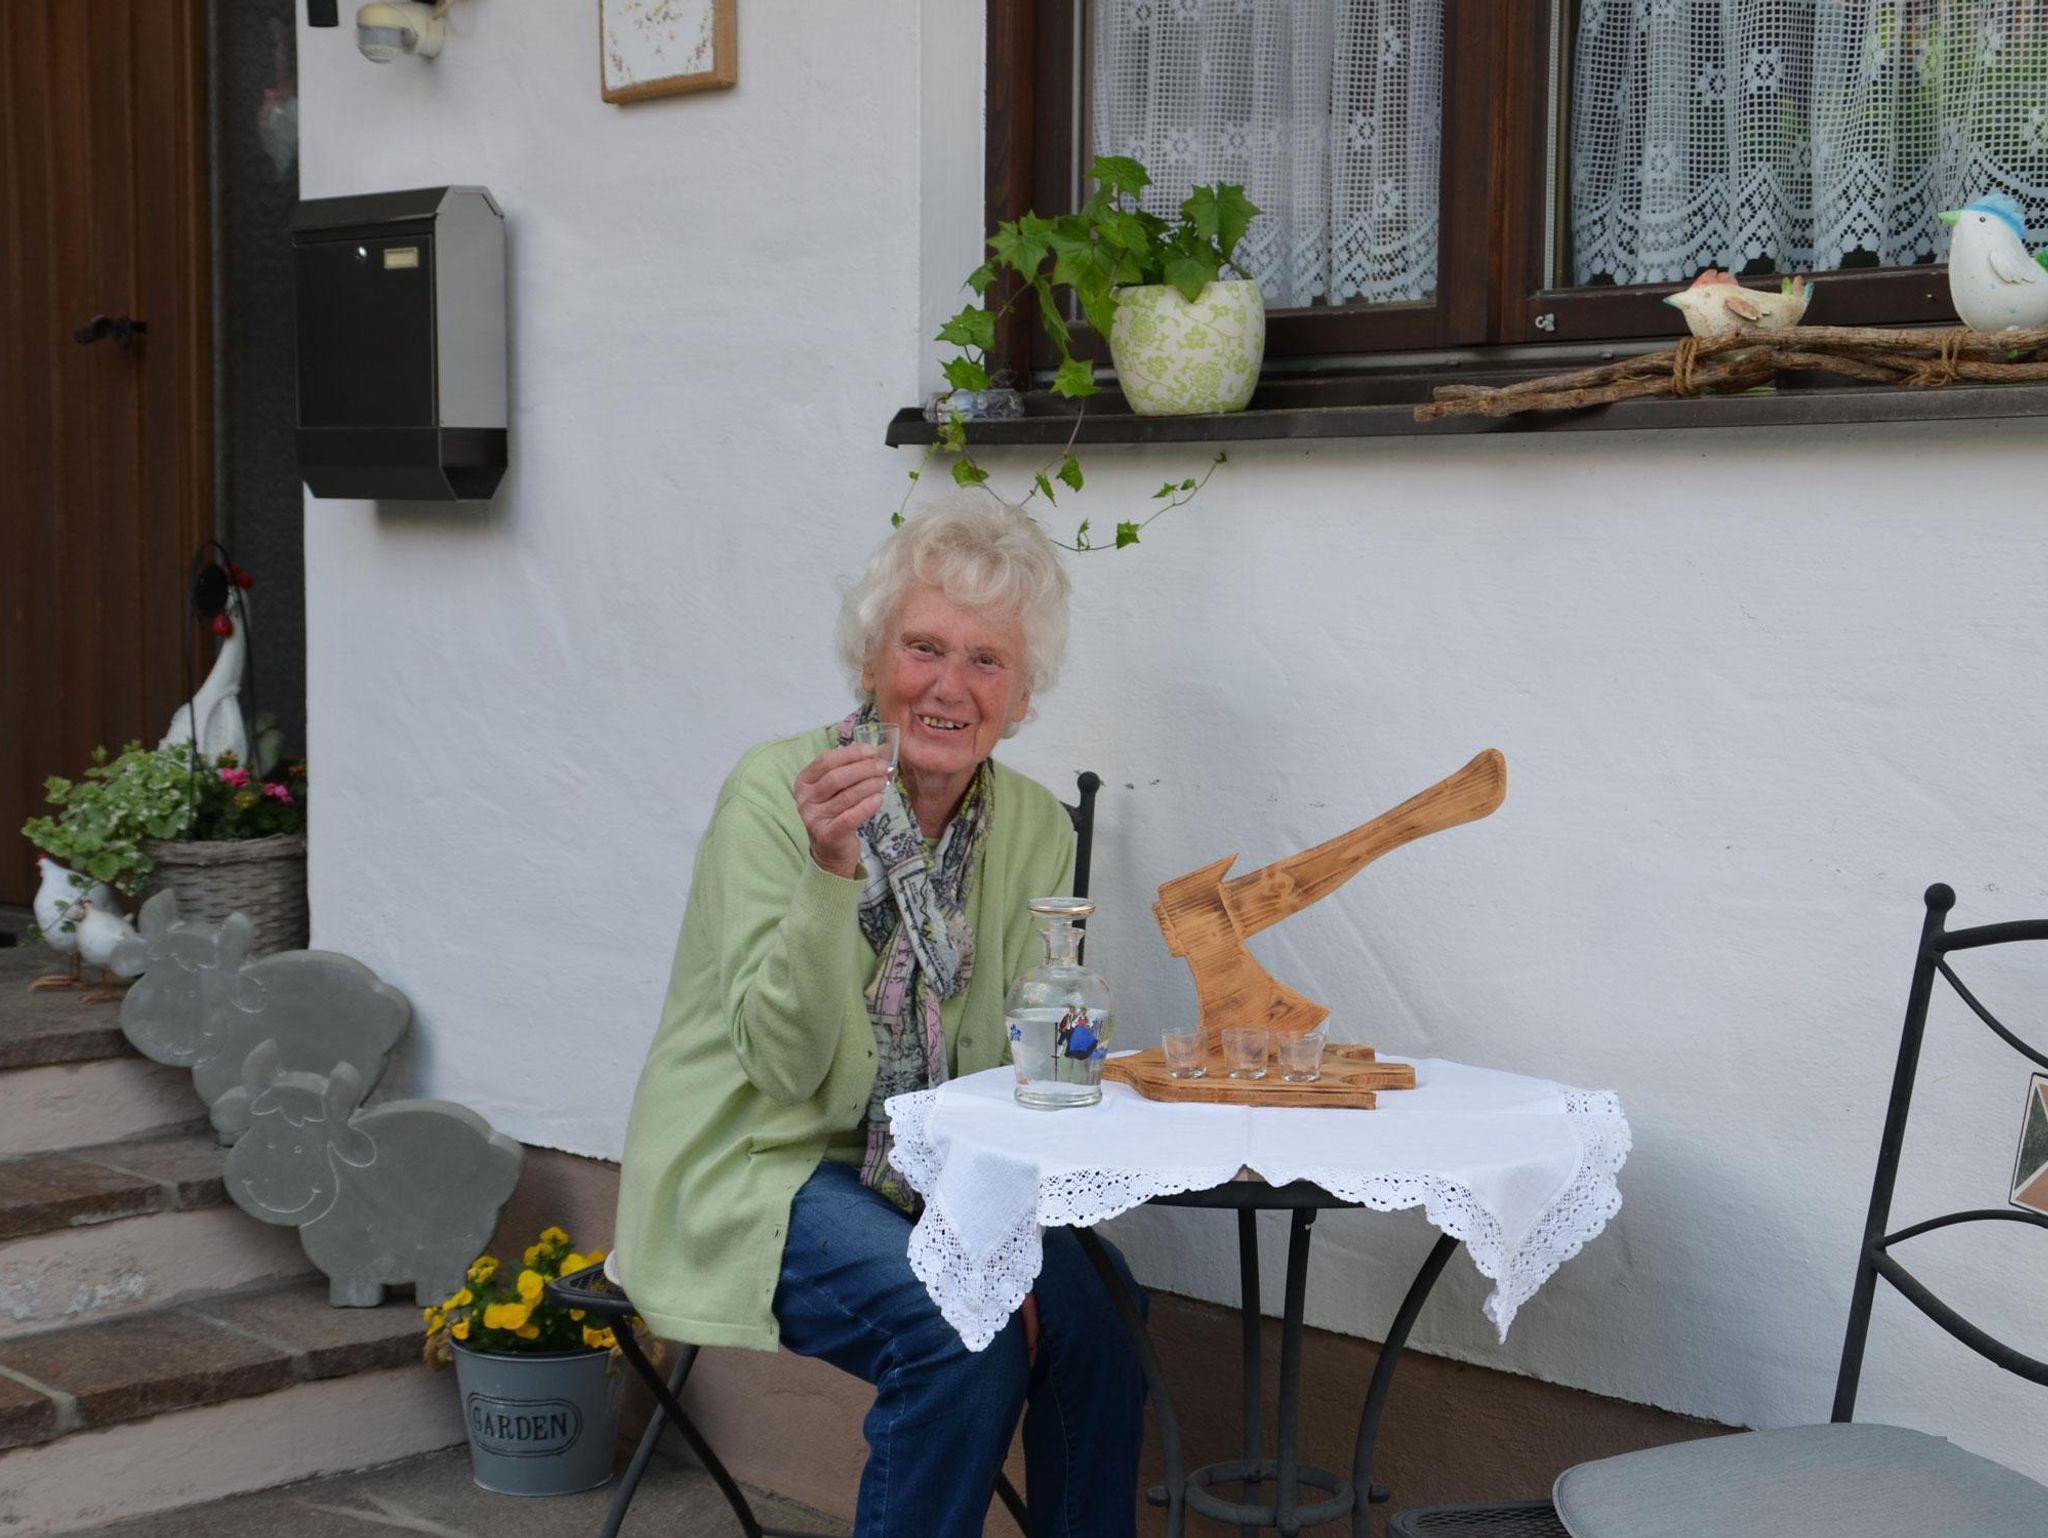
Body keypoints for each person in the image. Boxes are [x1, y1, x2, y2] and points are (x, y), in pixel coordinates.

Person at [614, 499, 1147, 1538]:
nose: (950, 685)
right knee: (958, 1333)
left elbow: (1015, 1067)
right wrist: (829, 871)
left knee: (1101, 1317)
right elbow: (781, 1066)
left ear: (1021, 699)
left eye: (987, 660)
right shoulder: (776, 794)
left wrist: (1003, 1237)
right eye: (923, 647)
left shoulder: (1031, 827)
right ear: (871, 662)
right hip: (760, 1163)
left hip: (937, 1166)